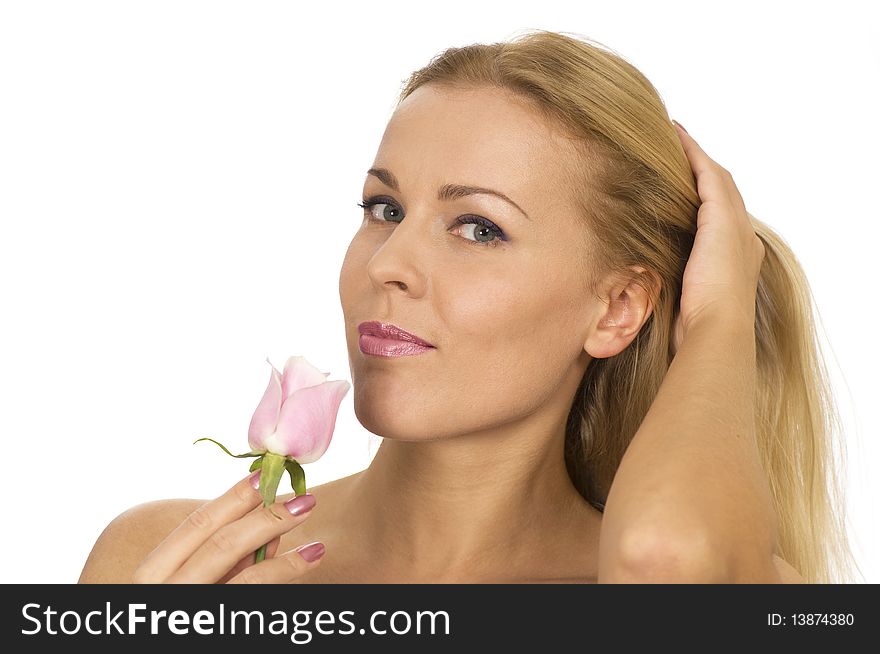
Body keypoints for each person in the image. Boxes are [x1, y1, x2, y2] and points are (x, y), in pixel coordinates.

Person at [79, 29, 858, 584]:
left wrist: (717, 321)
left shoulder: (734, 591)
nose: (389, 266)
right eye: (383, 209)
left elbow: (664, 559)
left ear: (618, 307)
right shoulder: (164, 566)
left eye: (478, 228)